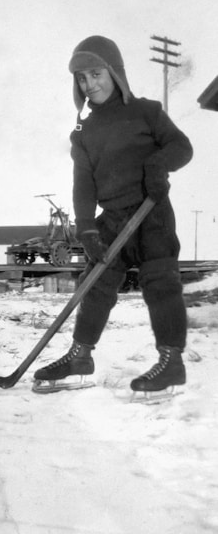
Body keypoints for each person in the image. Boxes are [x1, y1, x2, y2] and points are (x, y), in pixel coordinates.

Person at [33, 35, 193, 394]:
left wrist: (157, 166)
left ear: (115, 72)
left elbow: (181, 147)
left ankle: (172, 361)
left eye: (95, 73)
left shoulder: (146, 112)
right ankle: (80, 355)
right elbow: (83, 185)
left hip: (151, 214)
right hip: (114, 220)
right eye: (82, 79)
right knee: (96, 285)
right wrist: (87, 229)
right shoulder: (84, 133)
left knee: (161, 283)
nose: (90, 84)